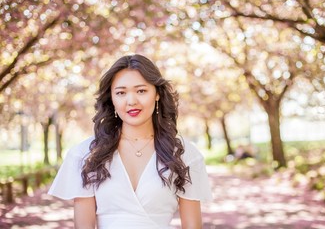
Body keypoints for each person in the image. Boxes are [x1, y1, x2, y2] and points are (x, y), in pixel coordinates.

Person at [48, 54, 212, 229]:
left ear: (157, 94)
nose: (131, 101)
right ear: (111, 99)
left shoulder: (184, 154)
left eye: (141, 91)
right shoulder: (85, 155)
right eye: (121, 93)